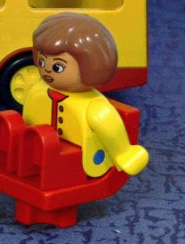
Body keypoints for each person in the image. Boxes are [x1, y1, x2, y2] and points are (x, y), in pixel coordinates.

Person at [18, 12, 148, 177]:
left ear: (90, 67)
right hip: (40, 150)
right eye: (42, 62)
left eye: (58, 67)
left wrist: (123, 153)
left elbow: (110, 127)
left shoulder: (93, 107)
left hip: (80, 161)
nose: (47, 70)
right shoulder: (38, 90)